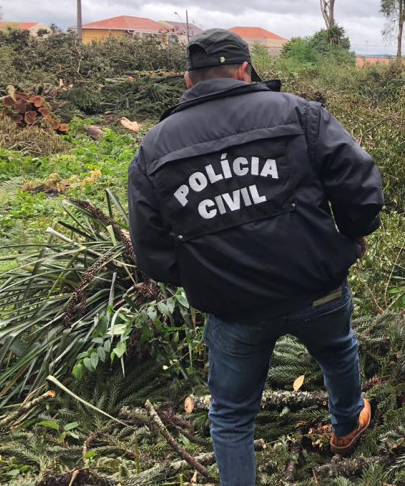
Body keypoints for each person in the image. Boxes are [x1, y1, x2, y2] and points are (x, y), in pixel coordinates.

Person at [127, 28, 384, 485]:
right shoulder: (300, 113)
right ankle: (346, 426)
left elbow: (149, 250)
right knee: (337, 349)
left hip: (234, 309)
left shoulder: (154, 147)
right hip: (317, 286)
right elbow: (361, 186)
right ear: (245, 70)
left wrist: (205, 276)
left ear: (188, 80)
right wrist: (352, 236)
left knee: (231, 414)